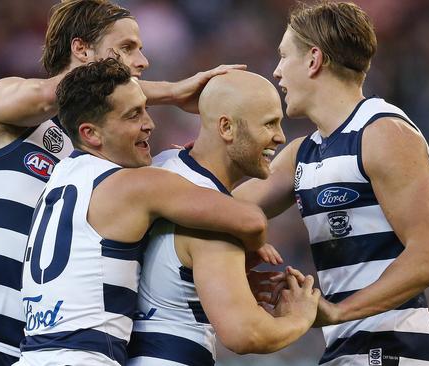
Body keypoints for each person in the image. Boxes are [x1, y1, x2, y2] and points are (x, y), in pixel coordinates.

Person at [0, 1, 246, 365]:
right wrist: (171, 91)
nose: (143, 61)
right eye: (127, 47)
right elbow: (49, 95)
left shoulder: (103, 150)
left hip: (48, 348)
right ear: (81, 49)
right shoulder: (8, 103)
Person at [234, 2, 429, 365]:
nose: (276, 72)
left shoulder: (382, 133)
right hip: (345, 347)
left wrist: (338, 311)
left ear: (314, 59)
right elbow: (227, 209)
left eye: (284, 56)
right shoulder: (304, 152)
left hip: (390, 346)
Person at [15, 58, 269, 366]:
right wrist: (253, 248)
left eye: (145, 108)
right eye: (134, 114)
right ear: (91, 134)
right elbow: (251, 220)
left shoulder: (58, 177)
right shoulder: (134, 185)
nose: (150, 123)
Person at [126, 70, 321, 366]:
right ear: (227, 127)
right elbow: (245, 334)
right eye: (269, 123)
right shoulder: (218, 216)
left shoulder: (161, 166)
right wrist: (299, 317)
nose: (280, 136)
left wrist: (221, 286)